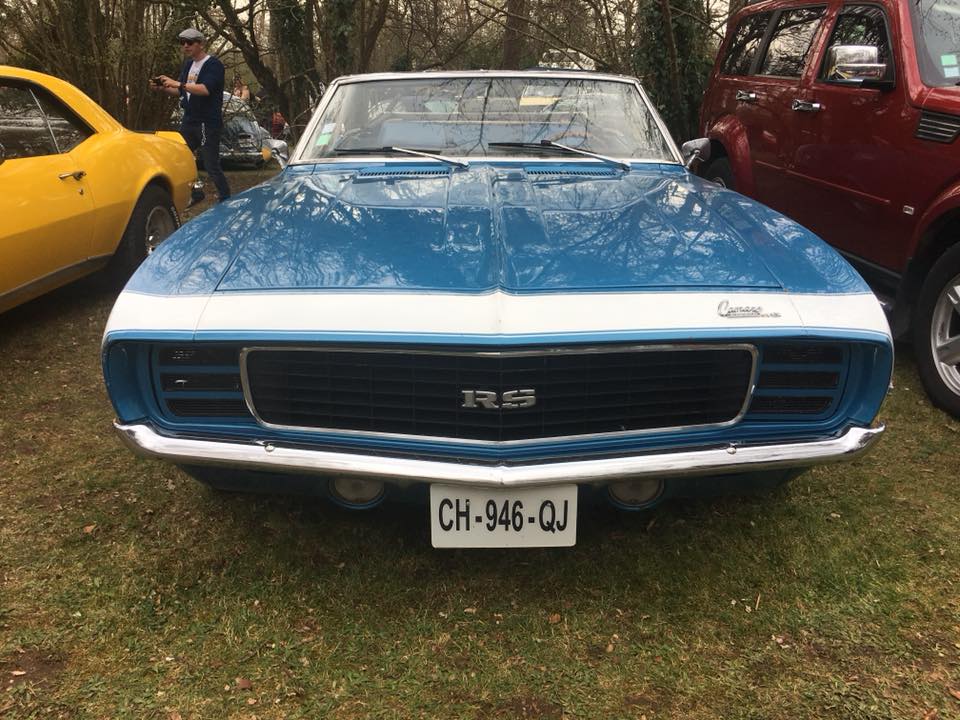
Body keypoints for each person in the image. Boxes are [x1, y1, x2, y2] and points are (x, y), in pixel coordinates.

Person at [151, 27, 230, 202]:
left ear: (201, 44)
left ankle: (226, 198)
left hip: (207, 123)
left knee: (210, 164)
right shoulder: (188, 65)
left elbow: (205, 89)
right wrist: (163, 88)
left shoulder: (213, 65)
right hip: (189, 121)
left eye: (190, 42)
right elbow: (182, 91)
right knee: (180, 158)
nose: (185, 46)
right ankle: (196, 192)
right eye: (182, 43)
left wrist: (178, 84)